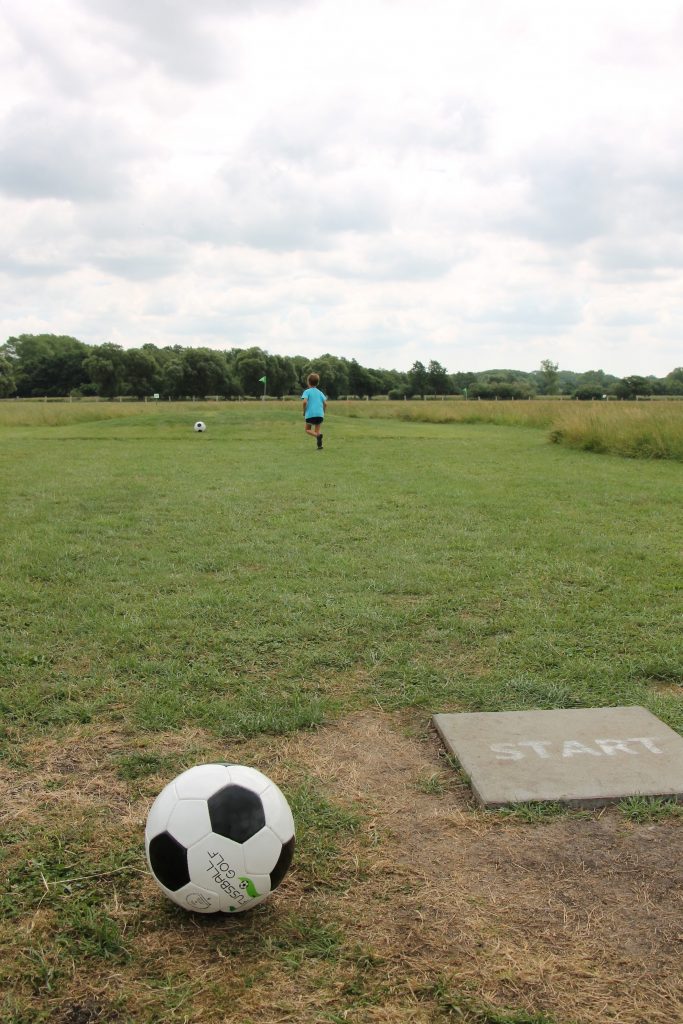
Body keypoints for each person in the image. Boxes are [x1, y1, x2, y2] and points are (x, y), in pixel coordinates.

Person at [301, 372, 327, 450]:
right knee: (317, 431)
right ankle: (319, 445)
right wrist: (323, 412)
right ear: (317, 383)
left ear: (308, 382)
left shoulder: (307, 391)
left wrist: (304, 411)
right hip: (320, 415)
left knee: (307, 430)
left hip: (310, 415)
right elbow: (325, 404)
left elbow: (305, 402)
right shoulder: (320, 392)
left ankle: (318, 436)